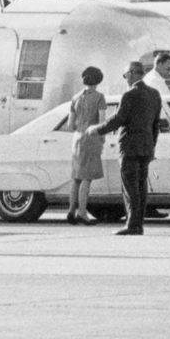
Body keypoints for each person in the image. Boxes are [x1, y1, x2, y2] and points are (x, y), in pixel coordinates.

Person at [90, 60, 161, 235]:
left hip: (129, 147)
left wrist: (97, 130)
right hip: (146, 147)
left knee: (130, 188)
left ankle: (132, 224)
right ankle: (138, 224)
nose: (125, 78)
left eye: (125, 75)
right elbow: (155, 124)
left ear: (132, 73)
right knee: (141, 186)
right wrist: (152, 147)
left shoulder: (129, 95)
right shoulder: (154, 94)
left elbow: (118, 119)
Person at [65, 66, 106, 225]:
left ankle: (70, 210)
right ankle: (82, 212)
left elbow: (70, 124)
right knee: (87, 178)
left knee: (76, 177)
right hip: (91, 138)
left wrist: (80, 130)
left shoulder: (75, 97)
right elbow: (102, 123)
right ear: (98, 81)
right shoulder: (99, 97)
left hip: (76, 139)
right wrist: (101, 138)